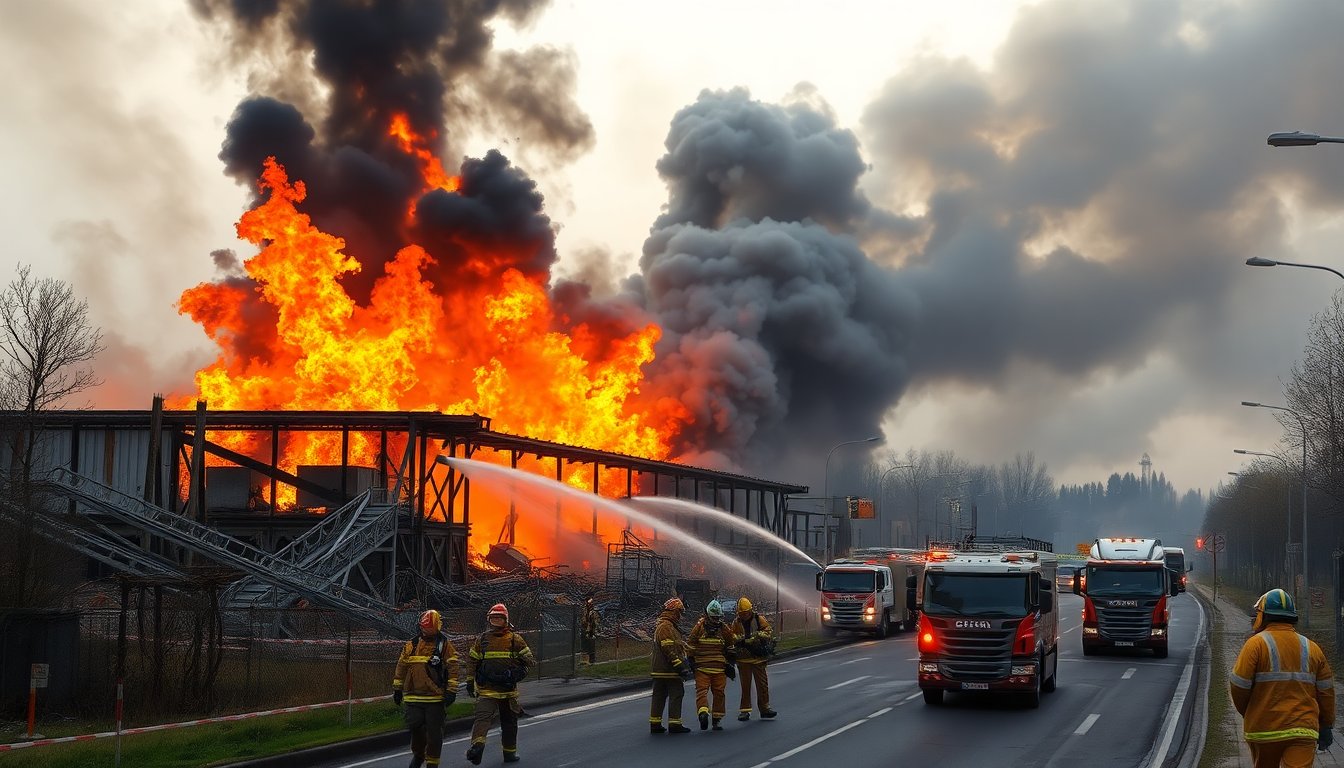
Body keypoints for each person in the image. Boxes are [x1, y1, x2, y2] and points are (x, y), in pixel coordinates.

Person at [1230, 588, 1335, 767]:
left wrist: (1251, 712)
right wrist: (1326, 724)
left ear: (1263, 616)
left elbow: (1239, 686)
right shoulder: (1312, 648)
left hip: (1264, 731)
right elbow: (1326, 691)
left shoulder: (1255, 645)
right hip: (1303, 730)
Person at [465, 603, 536, 765]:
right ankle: (500, 752)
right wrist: (517, 669)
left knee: (484, 719)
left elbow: (472, 661)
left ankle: (481, 746)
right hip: (500, 691)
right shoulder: (510, 639)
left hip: (493, 691)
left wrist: (470, 681)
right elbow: (530, 661)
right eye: (494, 618)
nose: (496, 621)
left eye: (498, 618)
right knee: (507, 723)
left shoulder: (488, 639)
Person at [392, 609, 458, 768]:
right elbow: (401, 666)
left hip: (435, 698)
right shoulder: (412, 645)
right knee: (415, 727)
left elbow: (453, 667)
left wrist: (451, 691)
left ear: (437, 627)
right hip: (413, 697)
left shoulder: (444, 646)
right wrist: (397, 688)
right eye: (423, 627)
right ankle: (419, 755)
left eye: (428, 628)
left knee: (435, 734)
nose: (425, 630)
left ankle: (432, 763)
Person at [686, 599, 738, 731]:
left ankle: (709, 715)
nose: (716, 620)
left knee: (706, 692)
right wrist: (730, 663)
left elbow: (691, 645)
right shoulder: (717, 628)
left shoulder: (703, 627)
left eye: (717, 617)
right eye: (714, 617)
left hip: (707, 667)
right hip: (712, 667)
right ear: (708, 615)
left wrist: (691, 661)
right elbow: (730, 646)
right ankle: (711, 717)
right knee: (716, 693)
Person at [649, 597, 694, 734]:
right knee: (676, 693)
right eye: (679, 612)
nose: (680, 615)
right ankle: (675, 724)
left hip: (660, 669)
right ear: (674, 612)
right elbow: (668, 649)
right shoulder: (666, 627)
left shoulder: (665, 625)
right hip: (669, 670)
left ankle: (655, 724)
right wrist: (680, 666)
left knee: (659, 696)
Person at [730, 596, 777, 721]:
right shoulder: (736, 622)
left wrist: (757, 636)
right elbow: (731, 635)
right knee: (745, 687)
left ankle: (765, 708)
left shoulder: (759, 619)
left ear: (750, 611)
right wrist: (740, 639)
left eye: (745, 613)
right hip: (743, 658)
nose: (743, 615)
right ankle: (745, 711)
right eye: (741, 613)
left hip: (758, 658)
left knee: (762, 685)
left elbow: (768, 632)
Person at [580, 597, 600, 666]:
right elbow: (582, 620)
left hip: (591, 630)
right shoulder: (583, 610)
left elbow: (596, 621)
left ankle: (592, 661)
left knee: (591, 645)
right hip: (584, 629)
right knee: (584, 646)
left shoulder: (594, 612)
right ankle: (583, 660)